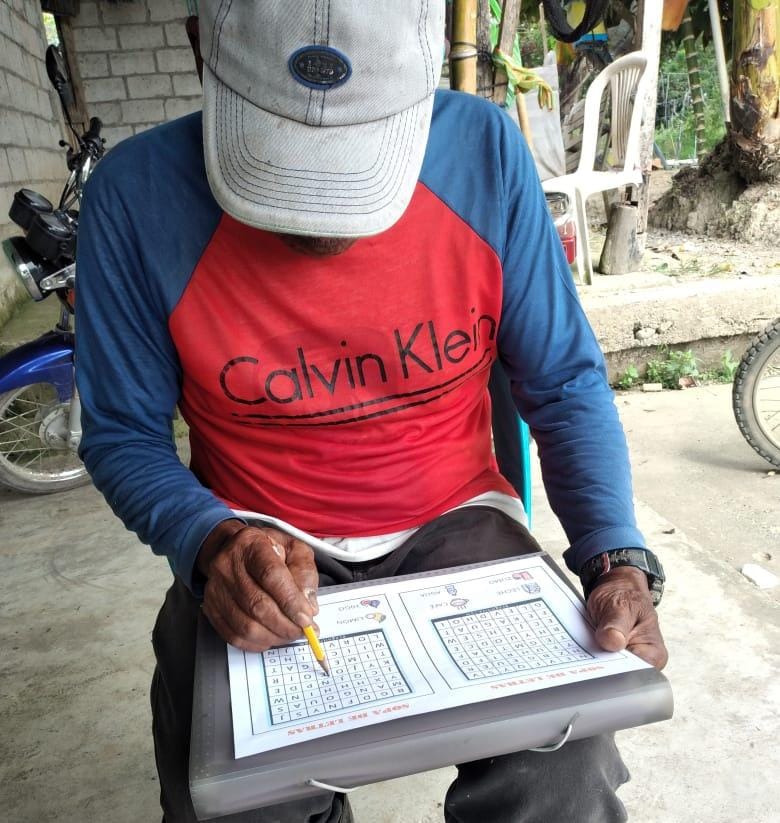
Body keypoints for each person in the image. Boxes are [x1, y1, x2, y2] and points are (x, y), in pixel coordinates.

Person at [75, 2, 667, 821]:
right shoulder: (134, 200)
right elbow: (122, 434)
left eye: (361, 150)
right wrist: (209, 541)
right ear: (202, 44)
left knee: (564, 769)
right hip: (253, 535)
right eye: (282, 149)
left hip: (456, 517)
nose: (325, 217)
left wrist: (616, 556)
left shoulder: (484, 154)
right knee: (228, 787)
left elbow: (564, 380)